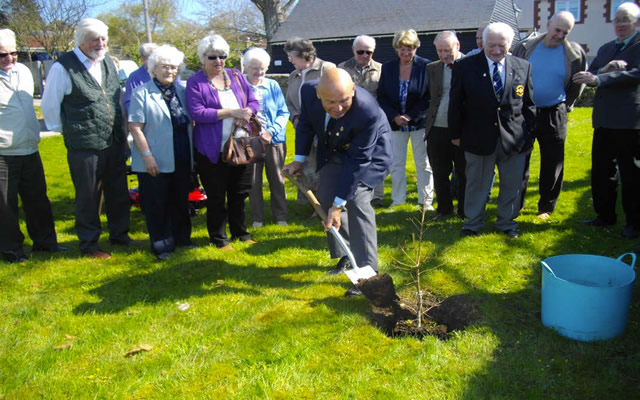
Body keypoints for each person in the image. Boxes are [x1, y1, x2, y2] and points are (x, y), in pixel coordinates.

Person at [282, 68, 392, 296]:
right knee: (327, 199)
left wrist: (340, 204)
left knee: (358, 204)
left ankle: (368, 273)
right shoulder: (308, 91)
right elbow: (305, 125)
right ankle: (346, 254)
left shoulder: (367, 111)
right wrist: (298, 160)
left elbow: (358, 161)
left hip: (368, 155)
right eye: (331, 102)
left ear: (353, 90)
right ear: (319, 95)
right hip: (333, 148)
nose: (338, 108)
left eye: (344, 100)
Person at [41, 18, 131, 259]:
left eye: (103, 39)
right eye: (95, 39)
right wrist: (67, 130)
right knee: (88, 196)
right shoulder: (63, 67)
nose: (100, 44)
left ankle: (120, 235)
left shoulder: (109, 64)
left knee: (118, 191)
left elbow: (115, 99)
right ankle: (89, 244)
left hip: (113, 139)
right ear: (81, 42)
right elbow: (50, 104)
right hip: (84, 144)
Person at [449, 22, 536, 238]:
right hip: (476, 137)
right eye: (491, 45)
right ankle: (473, 223)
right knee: (476, 184)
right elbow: (455, 104)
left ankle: (507, 223)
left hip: (514, 139)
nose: (497, 50)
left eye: (502, 45)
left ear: (510, 44)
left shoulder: (523, 66)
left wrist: (528, 138)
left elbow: (529, 106)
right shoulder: (464, 66)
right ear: (482, 43)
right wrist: (455, 134)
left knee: (512, 184)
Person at [573, 2, 640, 239]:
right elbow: (592, 74)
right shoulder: (605, 48)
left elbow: (635, 75)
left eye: (626, 20)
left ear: (637, 22)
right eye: (617, 20)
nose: (620, 24)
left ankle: (633, 223)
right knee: (602, 172)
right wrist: (605, 70)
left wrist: (603, 77)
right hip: (603, 120)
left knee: (631, 175)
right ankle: (605, 215)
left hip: (629, 121)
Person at [186, 34, 259, 250]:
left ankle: (241, 233)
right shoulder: (196, 82)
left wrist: (247, 112)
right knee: (217, 196)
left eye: (222, 56)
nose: (218, 61)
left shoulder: (236, 76)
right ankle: (219, 238)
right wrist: (230, 112)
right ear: (203, 58)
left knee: (239, 193)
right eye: (212, 57)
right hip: (212, 149)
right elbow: (198, 112)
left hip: (239, 146)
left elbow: (253, 100)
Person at [0, 28, 66, 263]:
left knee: (38, 199)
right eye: (2, 55)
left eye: (14, 53)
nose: (10, 58)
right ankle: (11, 249)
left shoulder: (24, 72)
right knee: (6, 206)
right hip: (3, 153)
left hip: (30, 147)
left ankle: (46, 243)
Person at [514, 11, 587, 220]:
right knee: (520, 160)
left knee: (553, 162)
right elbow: (514, 75)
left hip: (554, 112)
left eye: (565, 32)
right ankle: (516, 203)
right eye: (557, 30)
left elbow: (576, 85)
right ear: (548, 24)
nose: (559, 35)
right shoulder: (526, 47)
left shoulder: (575, 53)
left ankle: (546, 207)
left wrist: (567, 106)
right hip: (525, 111)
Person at [128, 45, 193, 260]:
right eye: (164, 67)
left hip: (182, 154)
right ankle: (161, 244)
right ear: (153, 68)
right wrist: (147, 156)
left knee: (180, 200)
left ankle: (182, 239)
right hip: (154, 157)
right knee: (157, 204)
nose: (170, 71)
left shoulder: (183, 92)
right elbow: (135, 127)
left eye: (174, 67)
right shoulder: (141, 93)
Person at [377, 29, 434, 209]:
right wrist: (395, 116)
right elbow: (382, 96)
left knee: (423, 163)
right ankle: (398, 200)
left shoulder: (426, 66)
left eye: (410, 48)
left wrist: (410, 116)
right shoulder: (388, 68)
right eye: (402, 48)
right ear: (396, 49)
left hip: (419, 122)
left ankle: (426, 201)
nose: (406, 52)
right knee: (396, 163)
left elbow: (429, 96)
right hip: (395, 124)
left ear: (416, 48)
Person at [242, 47, 290, 228]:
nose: (259, 72)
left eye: (263, 68)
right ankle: (257, 218)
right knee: (254, 182)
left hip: (274, 140)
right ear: (245, 67)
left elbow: (283, 112)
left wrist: (271, 131)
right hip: (250, 141)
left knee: (277, 179)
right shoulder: (240, 87)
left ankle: (281, 216)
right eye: (255, 68)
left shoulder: (272, 85)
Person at [284, 38, 335, 202]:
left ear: (304, 55)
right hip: (302, 127)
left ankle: (324, 201)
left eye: (291, 56)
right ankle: (307, 200)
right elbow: (289, 102)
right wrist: (295, 117)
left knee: (322, 166)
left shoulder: (326, 69)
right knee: (303, 163)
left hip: (323, 128)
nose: (289, 60)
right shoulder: (293, 75)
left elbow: (334, 96)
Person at [339, 34, 385, 208]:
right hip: (349, 120)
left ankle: (376, 196)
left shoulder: (381, 69)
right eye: (360, 52)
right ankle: (350, 192)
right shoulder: (342, 69)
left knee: (375, 157)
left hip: (374, 121)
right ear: (353, 51)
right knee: (350, 157)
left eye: (369, 52)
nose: (365, 55)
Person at [425, 31, 466, 221]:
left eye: (447, 50)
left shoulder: (469, 66)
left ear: (457, 46)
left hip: (461, 128)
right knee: (439, 172)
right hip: (436, 128)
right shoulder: (432, 68)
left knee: (463, 171)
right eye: (439, 51)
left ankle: (464, 210)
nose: (443, 55)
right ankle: (443, 209)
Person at [123, 42, 158, 112]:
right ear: (143, 59)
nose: (156, 60)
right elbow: (129, 103)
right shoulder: (135, 77)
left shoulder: (165, 73)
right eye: (152, 57)